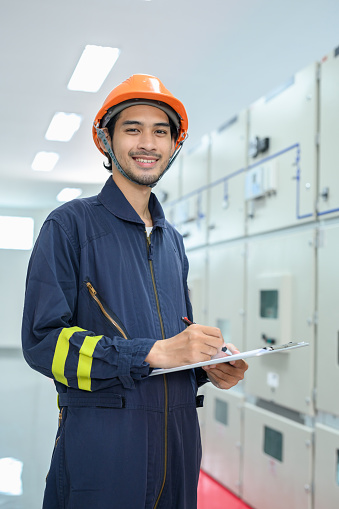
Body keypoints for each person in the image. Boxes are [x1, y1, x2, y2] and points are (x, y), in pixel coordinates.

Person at [22, 74, 248, 509]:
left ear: (174, 144)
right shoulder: (69, 226)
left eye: (160, 131)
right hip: (103, 450)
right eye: (133, 129)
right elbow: (42, 344)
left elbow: (171, 341)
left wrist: (206, 364)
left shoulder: (172, 240)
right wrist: (152, 353)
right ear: (106, 142)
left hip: (178, 448)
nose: (148, 142)